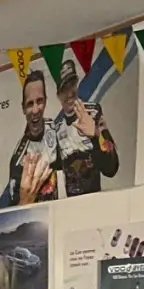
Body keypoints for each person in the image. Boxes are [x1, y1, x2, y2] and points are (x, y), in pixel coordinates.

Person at [53, 57, 119, 196]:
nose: (70, 92)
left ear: (77, 84)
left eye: (72, 84)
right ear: (58, 95)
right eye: (65, 88)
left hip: (96, 202)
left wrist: (95, 135)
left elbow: (111, 168)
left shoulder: (94, 112)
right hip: (71, 207)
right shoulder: (56, 130)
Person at [0, 68, 58, 207]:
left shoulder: (57, 130)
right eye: (30, 104)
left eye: (39, 101)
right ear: (23, 108)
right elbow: (15, 211)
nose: (35, 110)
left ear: (46, 101)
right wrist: (26, 199)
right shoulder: (18, 160)